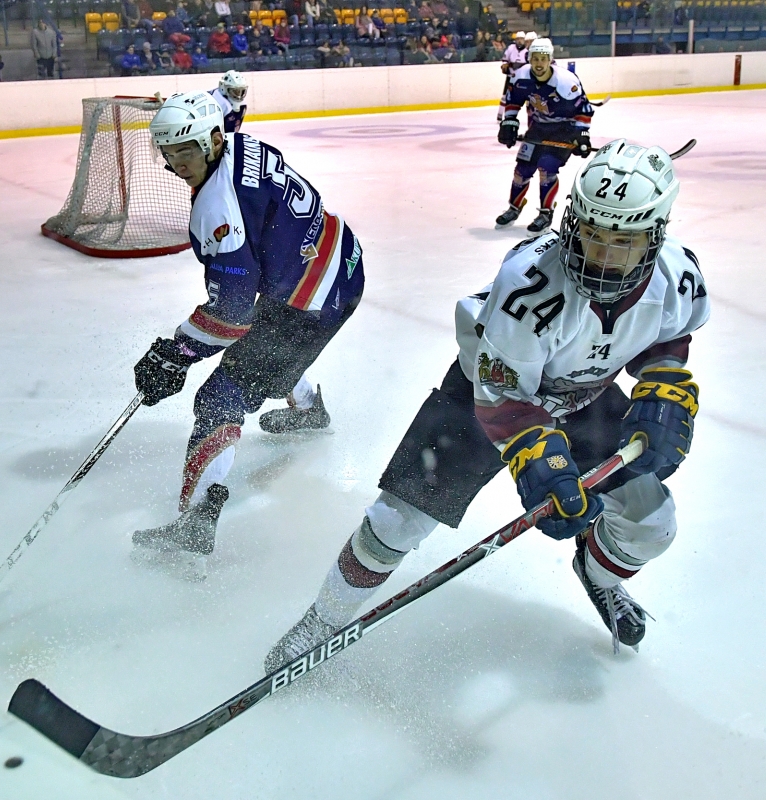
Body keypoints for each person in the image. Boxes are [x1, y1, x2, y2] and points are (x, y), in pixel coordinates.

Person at [265, 139, 709, 671]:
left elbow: (666, 335)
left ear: (655, 236)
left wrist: (663, 383)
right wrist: (539, 460)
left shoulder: (678, 275)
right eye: (591, 233)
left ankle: (599, 576)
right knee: (395, 522)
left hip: (581, 395)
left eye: (622, 242)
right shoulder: (529, 286)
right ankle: (322, 621)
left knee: (650, 521)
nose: (600, 256)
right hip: (485, 393)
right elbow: (503, 398)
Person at [132, 91, 366, 562]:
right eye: (170, 152)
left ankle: (195, 526)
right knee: (268, 346)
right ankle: (310, 410)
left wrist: (177, 354)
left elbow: (232, 313)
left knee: (221, 396)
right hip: (338, 259)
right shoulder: (243, 144)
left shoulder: (216, 208)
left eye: (187, 150)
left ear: (213, 141)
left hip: (311, 300)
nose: (178, 163)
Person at [495, 37, 593, 233]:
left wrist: (582, 134)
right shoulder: (521, 76)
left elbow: (584, 110)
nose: (539, 64)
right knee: (522, 170)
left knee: (547, 169)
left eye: (543, 59)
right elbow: (513, 101)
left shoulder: (566, 82)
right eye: (535, 58)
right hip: (538, 127)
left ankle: (546, 213)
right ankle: (514, 208)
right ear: (530, 59)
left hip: (565, 129)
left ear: (550, 60)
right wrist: (509, 122)